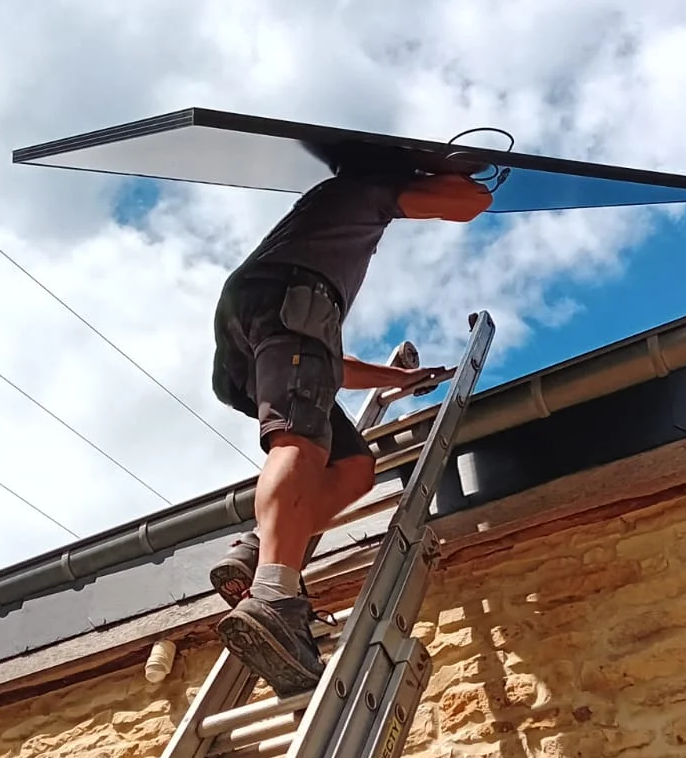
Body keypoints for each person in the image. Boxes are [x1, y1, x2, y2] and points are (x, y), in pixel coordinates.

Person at [209, 165, 492, 694]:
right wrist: (469, 176)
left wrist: (400, 378)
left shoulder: (315, 232)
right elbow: (464, 203)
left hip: (254, 331)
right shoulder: (368, 187)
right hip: (289, 302)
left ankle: (256, 550)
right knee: (301, 439)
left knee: (353, 467)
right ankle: (273, 597)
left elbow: (329, 359)